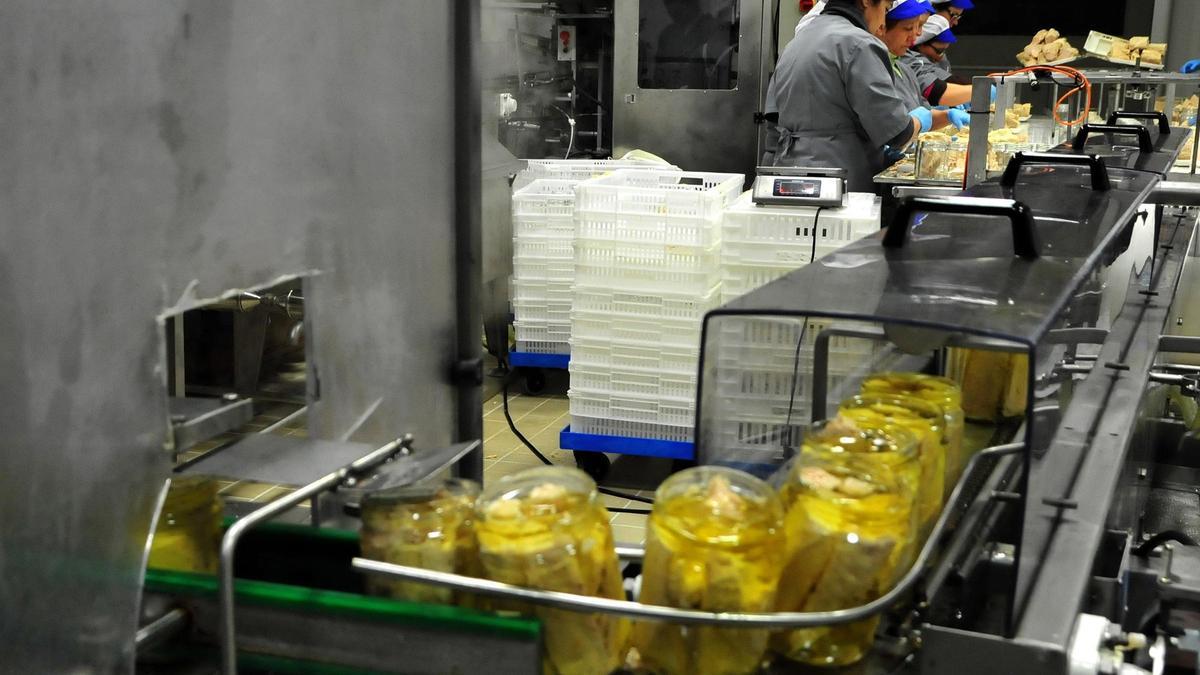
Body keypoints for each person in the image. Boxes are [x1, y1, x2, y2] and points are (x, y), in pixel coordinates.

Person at [771, 0, 932, 192]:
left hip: (791, 173)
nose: (882, 22)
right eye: (885, 9)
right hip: (839, 178)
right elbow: (898, 133)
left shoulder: (799, 39)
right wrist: (921, 120)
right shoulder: (859, 43)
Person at [879, 0, 968, 131]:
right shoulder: (874, 67)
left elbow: (921, 116)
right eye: (909, 28)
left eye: (920, 26)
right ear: (882, 28)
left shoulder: (904, 69)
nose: (917, 34)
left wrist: (946, 116)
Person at [900, 14, 975, 107]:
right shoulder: (908, 59)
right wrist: (981, 88)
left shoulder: (940, 59)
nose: (941, 56)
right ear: (921, 44)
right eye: (939, 51)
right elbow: (938, 87)